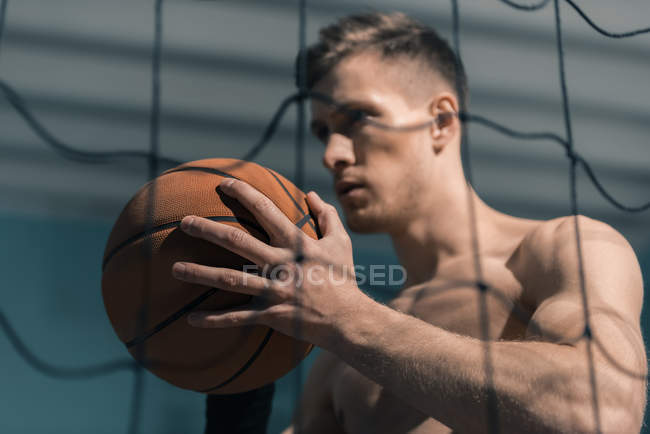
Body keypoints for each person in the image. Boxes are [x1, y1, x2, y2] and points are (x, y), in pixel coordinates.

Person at [172, 12, 647, 433]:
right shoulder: (338, 361)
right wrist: (238, 395)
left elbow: (600, 414)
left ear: (439, 121)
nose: (331, 154)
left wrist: (344, 315)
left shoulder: (564, 246)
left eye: (357, 118)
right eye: (323, 131)